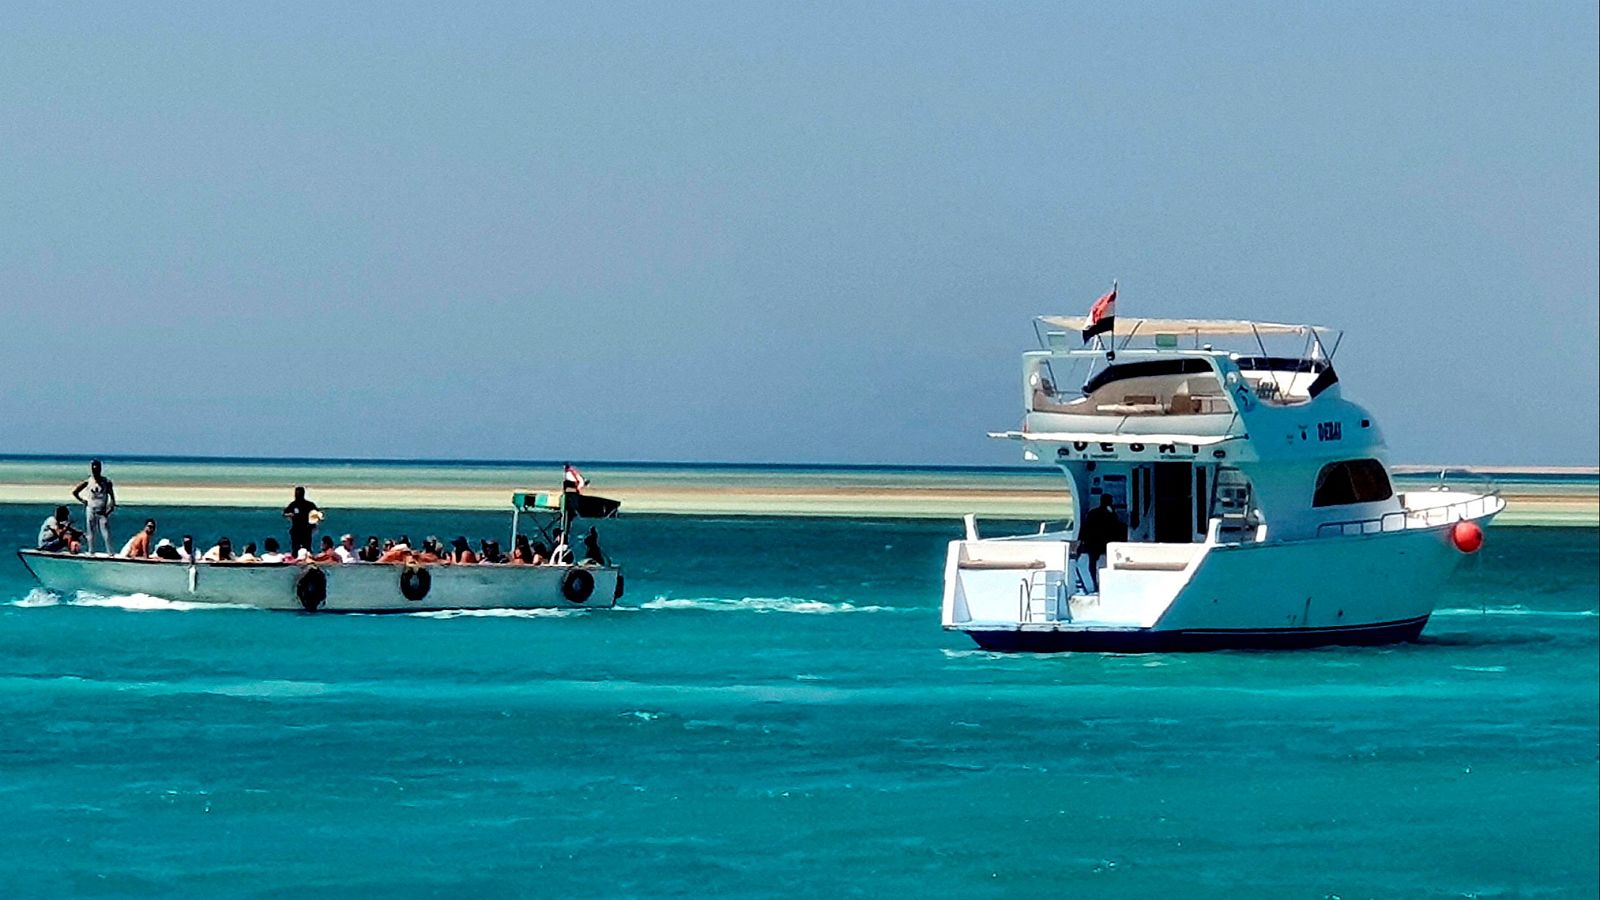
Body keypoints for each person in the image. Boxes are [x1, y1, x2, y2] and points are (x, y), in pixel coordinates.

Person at [1076, 494, 1127, 592]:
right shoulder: (1110, 514)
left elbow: (1085, 527)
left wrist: (1081, 541)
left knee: (1092, 563)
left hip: (1094, 542)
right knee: (1106, 562)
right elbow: (1116, 527)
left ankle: (1095, 583)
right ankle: (1102, 583)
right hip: (1103, 542)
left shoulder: (1093, 512)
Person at [71, 459, 117, 554]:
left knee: (106, 532)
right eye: (93, 469)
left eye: (97, 469)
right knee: (91, 532)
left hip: (102, 511)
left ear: (100, 469)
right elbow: (75, 492)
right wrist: (82, 500)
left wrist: (109, 509)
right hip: (91, 509)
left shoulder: (106, 482)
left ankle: (110, 553)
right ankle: (91, 552)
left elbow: (112, 498)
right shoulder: (88, 481)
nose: (95, 471)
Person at [282, 486, 320, 555]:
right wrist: (290, 515)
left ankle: (308, 558)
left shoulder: (309, 504)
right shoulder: (293, 504)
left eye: (298, 493)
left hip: (307, 529)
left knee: (307, 547)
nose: (297, 495)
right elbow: (285, 513)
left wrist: (315, 524)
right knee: (295, 548)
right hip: (296, 529)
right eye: (296, 493)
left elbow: (317, 514)